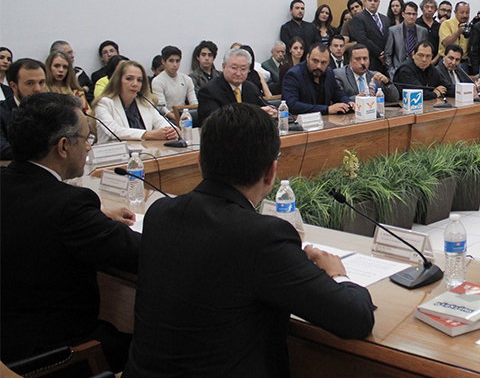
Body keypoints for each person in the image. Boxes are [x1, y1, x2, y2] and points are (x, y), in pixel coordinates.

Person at [122, 103, 375, 377]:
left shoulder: (159, 214)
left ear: (200, 161)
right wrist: (337, 275)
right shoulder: (263, 238)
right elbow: (355, 319)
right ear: (271, 171)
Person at [1, 93, 139, 372]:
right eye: (86, 138)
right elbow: (140, 253)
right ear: (63, 146)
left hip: (9, 339)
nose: (89, 147)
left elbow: (36, 218)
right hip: (58, 354)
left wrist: (96, 217)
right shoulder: (70, 206)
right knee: (150, 341)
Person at [91, 61, 177, 143]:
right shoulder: (104, 103)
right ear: (118, 80)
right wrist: (150, 134)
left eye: (139, 80)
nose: (135, 84)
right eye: (129, 79)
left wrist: (170, 131)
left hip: (145, 151)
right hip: (114, 152)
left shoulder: (145, 102)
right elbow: (115, 131)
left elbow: (163, 123)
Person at [198, 49, 278, 123]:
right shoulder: (209, 91)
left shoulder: (251, 88)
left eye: (243, 69)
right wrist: (255, 114)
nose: (238, 73)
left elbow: (264, 105)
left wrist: (272, 110)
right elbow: (216, 121)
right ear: (224, 67)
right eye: (234, 68)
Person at [282, 45, 352, 115]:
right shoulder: (294, 74)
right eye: (315, 61)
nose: (319, 66)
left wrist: (349, 103)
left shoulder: (329, 72)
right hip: (301, 119)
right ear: (308, 57)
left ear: (328, 62)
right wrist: (327, 109)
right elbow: (292, 105)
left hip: (326, 119)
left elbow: (339, 95)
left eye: (323, 62)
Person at [335, 44, 399, 102]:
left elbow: (394, 98)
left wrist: (387, 83)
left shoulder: (375, 76)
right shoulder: (339, 75)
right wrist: (359, 97)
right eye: (358, 59)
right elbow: (337, 101)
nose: (362, 62)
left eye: (365, 58)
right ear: (350, 61)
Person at [151, 45, 198, 121]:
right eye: (171, 61)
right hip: (166, 119)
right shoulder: (157, 81)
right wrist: (177, 118)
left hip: (185, 116)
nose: (175, 64)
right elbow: (161, 108)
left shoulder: (187, 79)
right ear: (163, 62)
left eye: (177, 61)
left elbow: (194, 103)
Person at [350, 0, 390, 74]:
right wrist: (379, 53)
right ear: (365, 2)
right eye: (370, 0)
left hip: (386, 61)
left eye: (375, 1)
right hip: (370, 59)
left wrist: (386, 54)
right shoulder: (359, 18)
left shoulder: (385, 19)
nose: (372, 3)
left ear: (379, 2)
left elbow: (388, 38)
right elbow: (362, 39)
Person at [386, 1, 428, 78]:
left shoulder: (423, 31)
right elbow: (388, 54)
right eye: (409, 14)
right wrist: (392, 72)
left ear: (417, 15)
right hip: (398, 71)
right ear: (403, 14)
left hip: (418, 72)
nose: (411, 17)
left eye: (414, 14)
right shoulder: (393, 31)